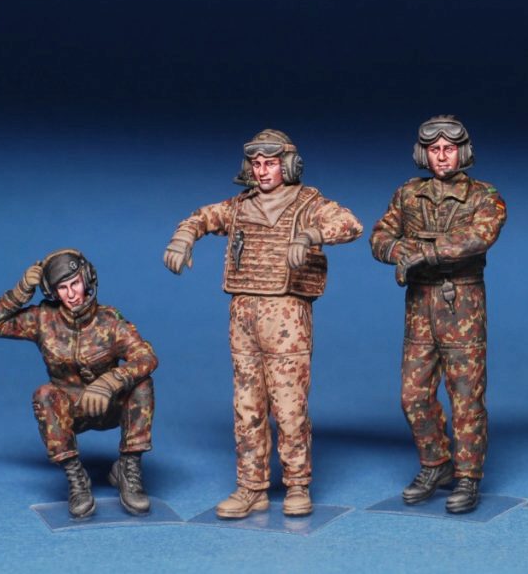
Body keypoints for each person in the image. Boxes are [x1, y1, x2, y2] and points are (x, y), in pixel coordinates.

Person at [163, 128, 361, 518]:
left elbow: (350, 223)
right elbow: (202, 216)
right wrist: (183, 237)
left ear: (289, 166)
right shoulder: (240, 206)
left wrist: (310, 234)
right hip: (244, 313)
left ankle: (297, 484)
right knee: (247, 406)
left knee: (289, 407)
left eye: (270, 163)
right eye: (256, 164)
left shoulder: (309, 204)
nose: (262, 170)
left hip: (286, 314)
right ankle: (251, 486)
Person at [369, 115, 506, 514]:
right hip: (419, 304)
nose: (442, 156)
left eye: (449, 149)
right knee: (413, 395)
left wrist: (425, 252)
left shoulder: (484, 195)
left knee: (466, 395)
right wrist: (400, 251)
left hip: (462, 302)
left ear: (463, 152)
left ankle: (468, 475)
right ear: (423, 154)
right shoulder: (408, 194)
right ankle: (436, 464)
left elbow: (480, 236)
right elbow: (380, 237)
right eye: (434, 150)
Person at [0, 249, 157, 518]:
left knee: (142, 384)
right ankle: (76, 478)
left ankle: (128, 468)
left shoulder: (109, 321)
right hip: (70, 410)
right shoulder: (43, 319)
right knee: (44, 394)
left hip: (109, 404)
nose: (72, 294)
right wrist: (20, 291)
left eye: (75, 283)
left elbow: (146, 357)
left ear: (87, 279)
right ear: (53, 292)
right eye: (62, 288)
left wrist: (111, 381)